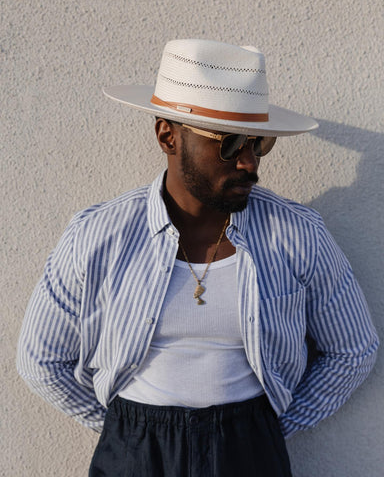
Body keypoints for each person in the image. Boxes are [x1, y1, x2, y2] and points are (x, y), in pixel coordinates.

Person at [17, 39, 379, 476]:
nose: (249, 163)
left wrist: (266, 428)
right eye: (230, 145)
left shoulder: (296, 234)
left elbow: (353, 349)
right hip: (133, 450)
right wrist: (125, 432)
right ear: (168, 135)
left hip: (249, 446)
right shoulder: (99, 236)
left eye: (259, 143)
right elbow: (42, 360)